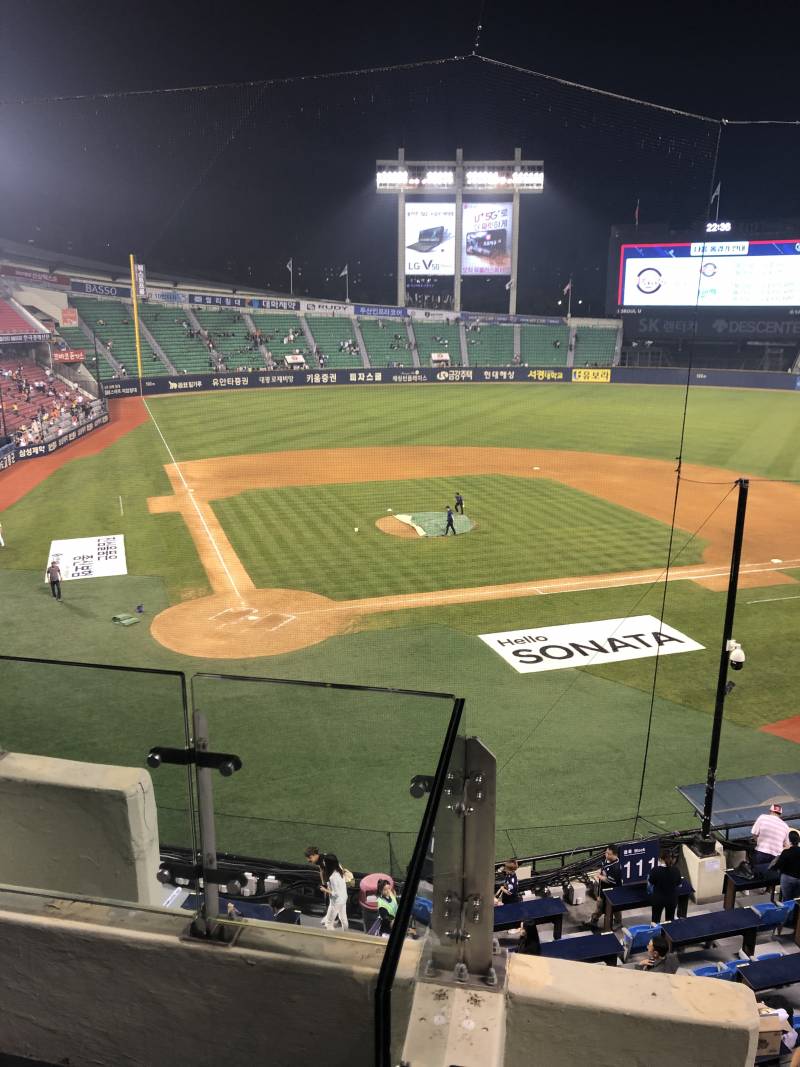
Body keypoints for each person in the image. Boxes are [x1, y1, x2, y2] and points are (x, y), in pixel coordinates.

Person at [586, 844, 621, 929]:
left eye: (609, 854)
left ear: (615, 855)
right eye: (606, 853)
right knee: (599, 905)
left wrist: (598, 876)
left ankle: (618, 922)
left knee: (615, 908)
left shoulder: (616, 867)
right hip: (602, 889)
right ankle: (594, 920)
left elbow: (609, 880)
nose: (606, 855)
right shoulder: (607, 860)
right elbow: (603, 869)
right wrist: (600, 872)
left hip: (613, 891)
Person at [648, 849, 682, 922]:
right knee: (670, 921)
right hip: (672, 899)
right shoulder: (676, 870)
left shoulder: (655, 870)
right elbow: (679, 885)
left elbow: (650, 884)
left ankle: (656, 933)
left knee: (655, 920)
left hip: (658, 899)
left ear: (660, 859)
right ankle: (667, 933)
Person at [751, 804, 789, 868]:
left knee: (758, 874)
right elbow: (786, 845)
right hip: (776, 856)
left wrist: (759, 843)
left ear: (770, 811)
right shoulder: (785, 826)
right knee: (772, 876)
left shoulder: (762, 817)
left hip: (761, 852)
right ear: (780, 814)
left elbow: (754, 833)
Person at [320, 853, 349, 931]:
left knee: (329, 923)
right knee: (343, 918)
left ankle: (331, 940)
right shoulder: (339, 868)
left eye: (325, 861)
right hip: (343, 897)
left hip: (336, 901)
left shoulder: (333, 877)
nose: (323, 863)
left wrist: (325, 890)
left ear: (329, 864)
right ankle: (346, 934)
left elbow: (336, 894)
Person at [772, 830, 800, 901]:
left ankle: (789, 910)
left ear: (789, 841)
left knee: (787, 899)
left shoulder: (786, 852)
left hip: (788, 878)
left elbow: (778, 866)